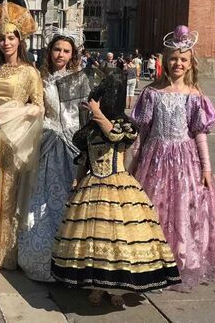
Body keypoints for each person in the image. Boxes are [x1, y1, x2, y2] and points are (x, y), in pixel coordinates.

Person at [52, 70, 181, 306]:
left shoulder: (124, 125)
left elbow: (114, 136)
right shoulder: (90, 130)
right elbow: (84, 159)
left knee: (119, 237)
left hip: (118, 185)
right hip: (92, 186)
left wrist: (98, 113)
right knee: (93, 239)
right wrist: (77, 180)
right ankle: (96, 285)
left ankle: (117, 290)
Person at [131, 25, 215, 290]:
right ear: (165, 61)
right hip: (154, 159)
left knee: (183, 209)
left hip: (185, 161)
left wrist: (206, 168)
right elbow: (142, 133)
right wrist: (133, 163)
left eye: (183, 59)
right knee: (154, 207)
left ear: (190, 63)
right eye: (173, 59)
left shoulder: (195, 96)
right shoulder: (152, 93)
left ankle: (180, 260)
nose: (178, 64)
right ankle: (152, 259)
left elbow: (199, 134)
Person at [0, 0, 44, 271]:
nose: (6, 43)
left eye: (11, 37)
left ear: (20, 40)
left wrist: (12, 112)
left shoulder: (30, 72)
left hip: (14, 138)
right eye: (2, 38)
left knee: (9, 191)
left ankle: (5, 252)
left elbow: (38, 107)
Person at [18, 31, 88, 282]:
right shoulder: (41, 78)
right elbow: (34, 107)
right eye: (57, 49)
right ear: (50, 52)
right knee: (44, 199)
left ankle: (74, 260)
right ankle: (44, 256)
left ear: (73, 54)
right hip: (48, 142)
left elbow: (85, 112)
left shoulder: (80, 79)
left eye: (66, 51)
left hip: (73, 144)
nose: (61, 55)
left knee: (72, 198)